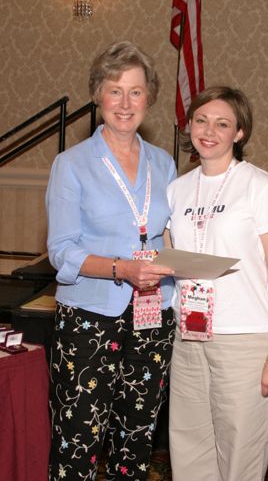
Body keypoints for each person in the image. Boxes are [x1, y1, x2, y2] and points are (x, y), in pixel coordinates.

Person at [46, 40, 176, 480]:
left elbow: (168, 234)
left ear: (150, 97)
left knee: (137, 440)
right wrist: (123, 268)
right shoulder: (71, 164)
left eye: (136, 91)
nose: (125, 103)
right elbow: (62, 250)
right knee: (77, 437)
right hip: (88, 318)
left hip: (153, 316)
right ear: (98, 95)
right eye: (115, 90)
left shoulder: (165, 164)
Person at [167, 85, 268, 481]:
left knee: (240, 456)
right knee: (189, 450)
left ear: (239, 133)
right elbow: (172, 262)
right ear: (189, 126)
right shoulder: (178, 188)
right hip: (188, 336)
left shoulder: (261, 187)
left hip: (244, 340)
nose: (209, 131)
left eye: (223, 124)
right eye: (201, 120)